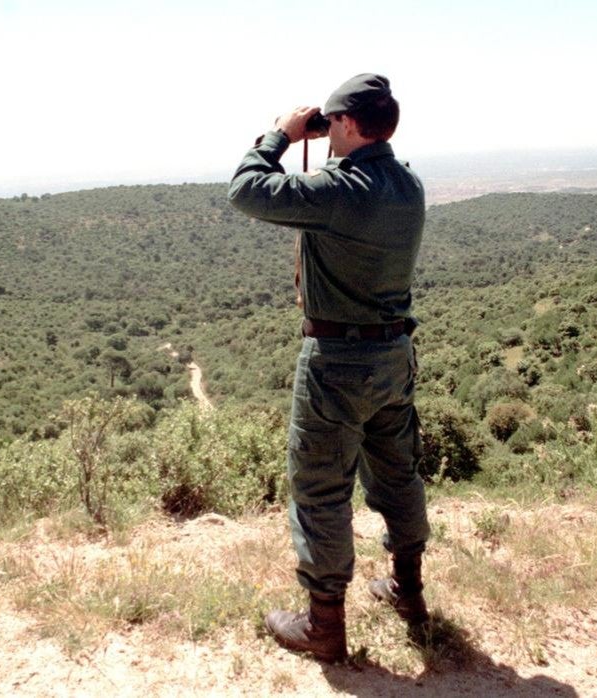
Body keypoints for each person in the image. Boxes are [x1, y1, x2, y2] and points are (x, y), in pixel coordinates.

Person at [227, 73, 430, 663]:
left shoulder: (341, 191)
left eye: (332, 123)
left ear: (344, 123)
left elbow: (245, 189)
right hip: (394, 357)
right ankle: (407, 590)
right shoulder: (407, 185)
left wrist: (281, 135)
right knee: (398, 473)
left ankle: (323, 626)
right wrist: (322, 139)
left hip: (337, 361)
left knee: (320, 488)